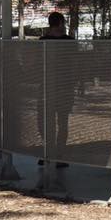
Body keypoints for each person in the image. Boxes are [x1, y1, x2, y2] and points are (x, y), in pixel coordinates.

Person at [39, 11, 74, 168]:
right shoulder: (69, 41)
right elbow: (76, 63)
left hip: (48, 85)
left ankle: (49, 153)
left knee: (48, 122)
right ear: (60, 23)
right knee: (62, 122)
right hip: (64, 86)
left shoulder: (43, 41)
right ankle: (58, 154)